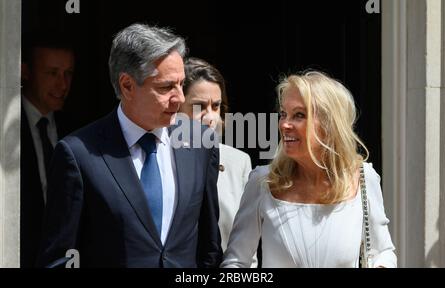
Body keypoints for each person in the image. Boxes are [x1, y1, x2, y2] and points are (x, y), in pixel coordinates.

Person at [36, 24, 222, 268]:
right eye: (166, 87)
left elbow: (209, 248)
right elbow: (59, 260)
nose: (180, 98)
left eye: (181, 84)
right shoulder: (78, 155)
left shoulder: (200, 142)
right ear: (127, 85)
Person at [221, 71, 397, 268]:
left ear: (330, 125)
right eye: (283, 114)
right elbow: (236, 262)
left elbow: (382, 252)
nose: (285, 124)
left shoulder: (363, 178)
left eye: (299, 115)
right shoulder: (263, 182)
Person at [179, 57, 257, 267]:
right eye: (199, 107)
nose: (210, 117)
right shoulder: (160, 161)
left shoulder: (239, 162)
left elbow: (247, 249)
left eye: (216, 106)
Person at [20, 31, 75, 267]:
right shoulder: (8, 128)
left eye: (68, 74)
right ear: (25, 72)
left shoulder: (74, 128)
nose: (62, 84)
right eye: (52, 73)